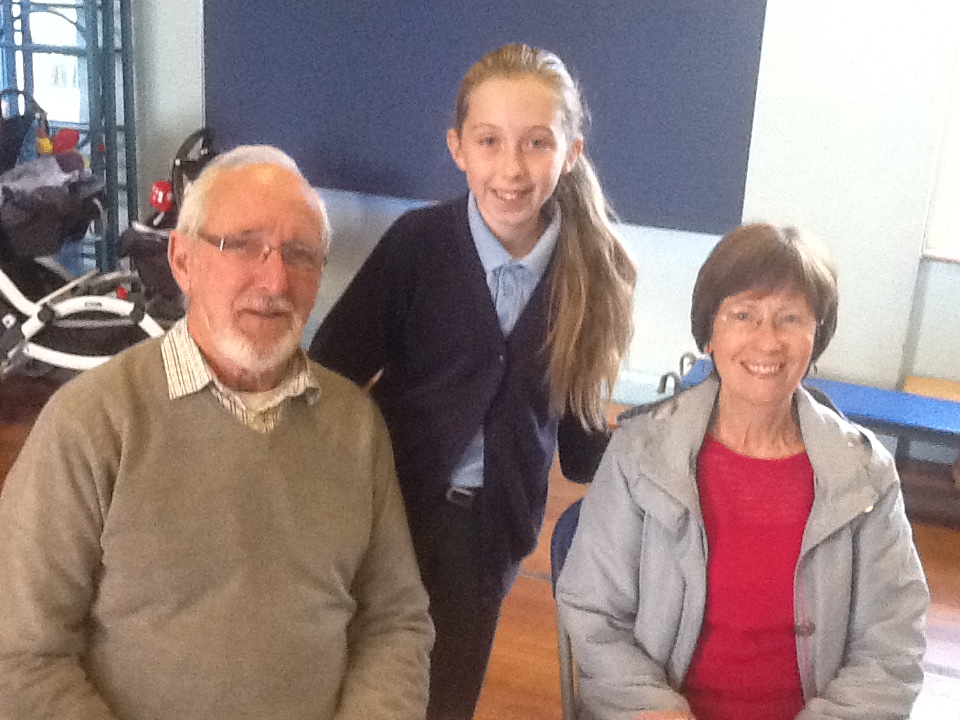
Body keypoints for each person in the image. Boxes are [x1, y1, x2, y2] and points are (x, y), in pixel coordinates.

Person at [0, 145, 434, 720]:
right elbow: (22, 656)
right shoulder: (90, 424)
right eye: (243, 245)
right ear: (182, 259)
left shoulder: (354, 425)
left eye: (300, 254)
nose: (275, 278)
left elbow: (395, 623)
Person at [309, 43, 636, 719]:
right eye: (490, 141)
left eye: (537, 143)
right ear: (459, 149)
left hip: (488, 534)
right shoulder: (417, 247)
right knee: (353, 678)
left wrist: (662, 445)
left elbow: (576, 443)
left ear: (571, 151)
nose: (511, 169)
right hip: (383, 515)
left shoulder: (595, 273)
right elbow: (329, 372)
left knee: (443, 698)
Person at [556, 223, 929, 720]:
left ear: (816, 336)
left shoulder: (865, 475)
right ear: (709, 332)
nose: (767, 341)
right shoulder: (639, 453)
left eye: (790, 318)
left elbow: (892, 647)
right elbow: (594, 612)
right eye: (743, 315)